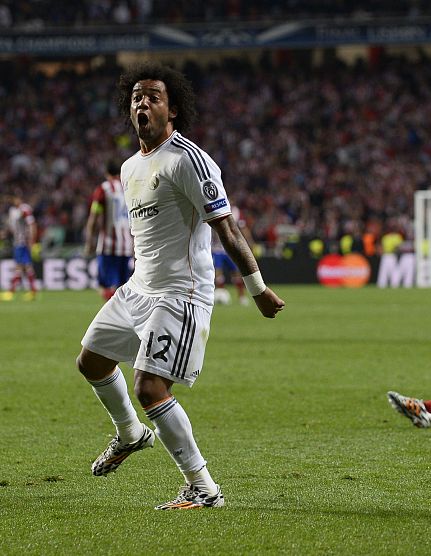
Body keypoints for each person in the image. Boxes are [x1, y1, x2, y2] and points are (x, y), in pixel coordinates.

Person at [75, 62, 285, 510]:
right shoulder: (131, 166)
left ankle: (203, 487)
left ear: (172, 109)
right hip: (139, 288)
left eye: (153, 96)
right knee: (91, 360)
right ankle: (131, 433)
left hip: (179, 294)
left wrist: (257, 288)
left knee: (150, 387)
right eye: (136, 96)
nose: (142, 103)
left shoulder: (188, 159)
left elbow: (226, 229)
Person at [84, 159, 134, 301]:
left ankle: (113, 320)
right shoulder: (128, 188)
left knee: (105, 287)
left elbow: (94, 217)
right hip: (126, 246)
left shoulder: (103, 189)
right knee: (123, 288)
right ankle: (125, 320)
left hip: (107, 245)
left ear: (106, 173)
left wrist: (89, 241)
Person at [211, 204, 252, 306]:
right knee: (218, 274)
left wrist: (250, 242)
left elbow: (242, 227)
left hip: (230, 248)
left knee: (236, 273)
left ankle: (242, 297)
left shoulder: (235, 211)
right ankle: (220, 293)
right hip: (216, 249)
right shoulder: (212, 209)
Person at [2, 193, 38, 301]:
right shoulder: (13, 211)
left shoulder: (24, 209)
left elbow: (32, 225)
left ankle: (11, 292)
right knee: (26, 267)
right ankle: (33, 291)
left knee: (19, 267)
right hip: (17, 242)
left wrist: (32, 241)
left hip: (22, 243)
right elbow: (12, 228)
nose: (17, 200)